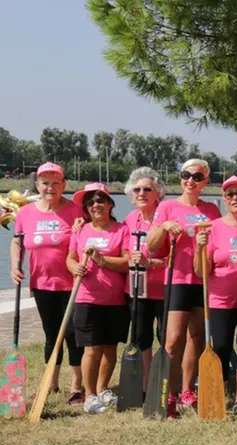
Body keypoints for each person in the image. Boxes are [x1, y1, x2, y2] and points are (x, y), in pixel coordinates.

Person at [145, 158, 222, 415]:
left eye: (197, 177)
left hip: (203, 280)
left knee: (196, 338)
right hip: (178, 279)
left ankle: (188, 391)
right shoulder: (167, 207)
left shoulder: (212, 210)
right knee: (173, 340)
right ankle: (168, 391)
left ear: (205, 181)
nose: (191, 180)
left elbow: (222, 239)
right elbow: (152, 246)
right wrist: (165, 226)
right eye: (186, 175)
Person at [10, 162, 86, 404]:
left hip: (73, 284)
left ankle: (76, 386)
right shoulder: (25, 213)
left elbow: (90, 235)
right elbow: (17, 242)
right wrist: (15, 266)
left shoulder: (75, 211)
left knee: (73, 335)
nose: (50, 188)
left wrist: (82, 226)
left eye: (56, 183)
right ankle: (51, 383)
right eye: (45, 183)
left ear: (63, 185)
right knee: (51, 335)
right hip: (42, 284)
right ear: (37, 185)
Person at [194, 176, 237, 413]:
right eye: (230, 195)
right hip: (220, 300)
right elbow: (201, 271)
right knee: (220, 346)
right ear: (224, 199)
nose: (235, 199)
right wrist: (200, 247)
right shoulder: (213, 228)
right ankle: (218, 395)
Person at [65, 183, 131, 414]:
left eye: (100, 200)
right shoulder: (80, 230)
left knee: (110, 348)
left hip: (114, 300)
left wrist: (102, 260)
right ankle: (90, 395)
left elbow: (126, 262)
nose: (96, 205)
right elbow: (70, 257)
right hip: (86, 297)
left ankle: (103, 390)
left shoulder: (122, 230)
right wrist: (75, 268)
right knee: (91, 349)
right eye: (91, 202)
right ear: (86, 208)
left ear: (110, 204)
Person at [123, 167, 168, 397]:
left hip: (165, 290)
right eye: (137, 189)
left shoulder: (167, 218)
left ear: (158, 193)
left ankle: (168, 386)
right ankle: (145, 386)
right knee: (142, 338)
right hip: (137, 290)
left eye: (147, 189)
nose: (141, 193)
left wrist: (151, 262)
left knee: (167, 338)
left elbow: (178, 257)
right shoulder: (129, 220)